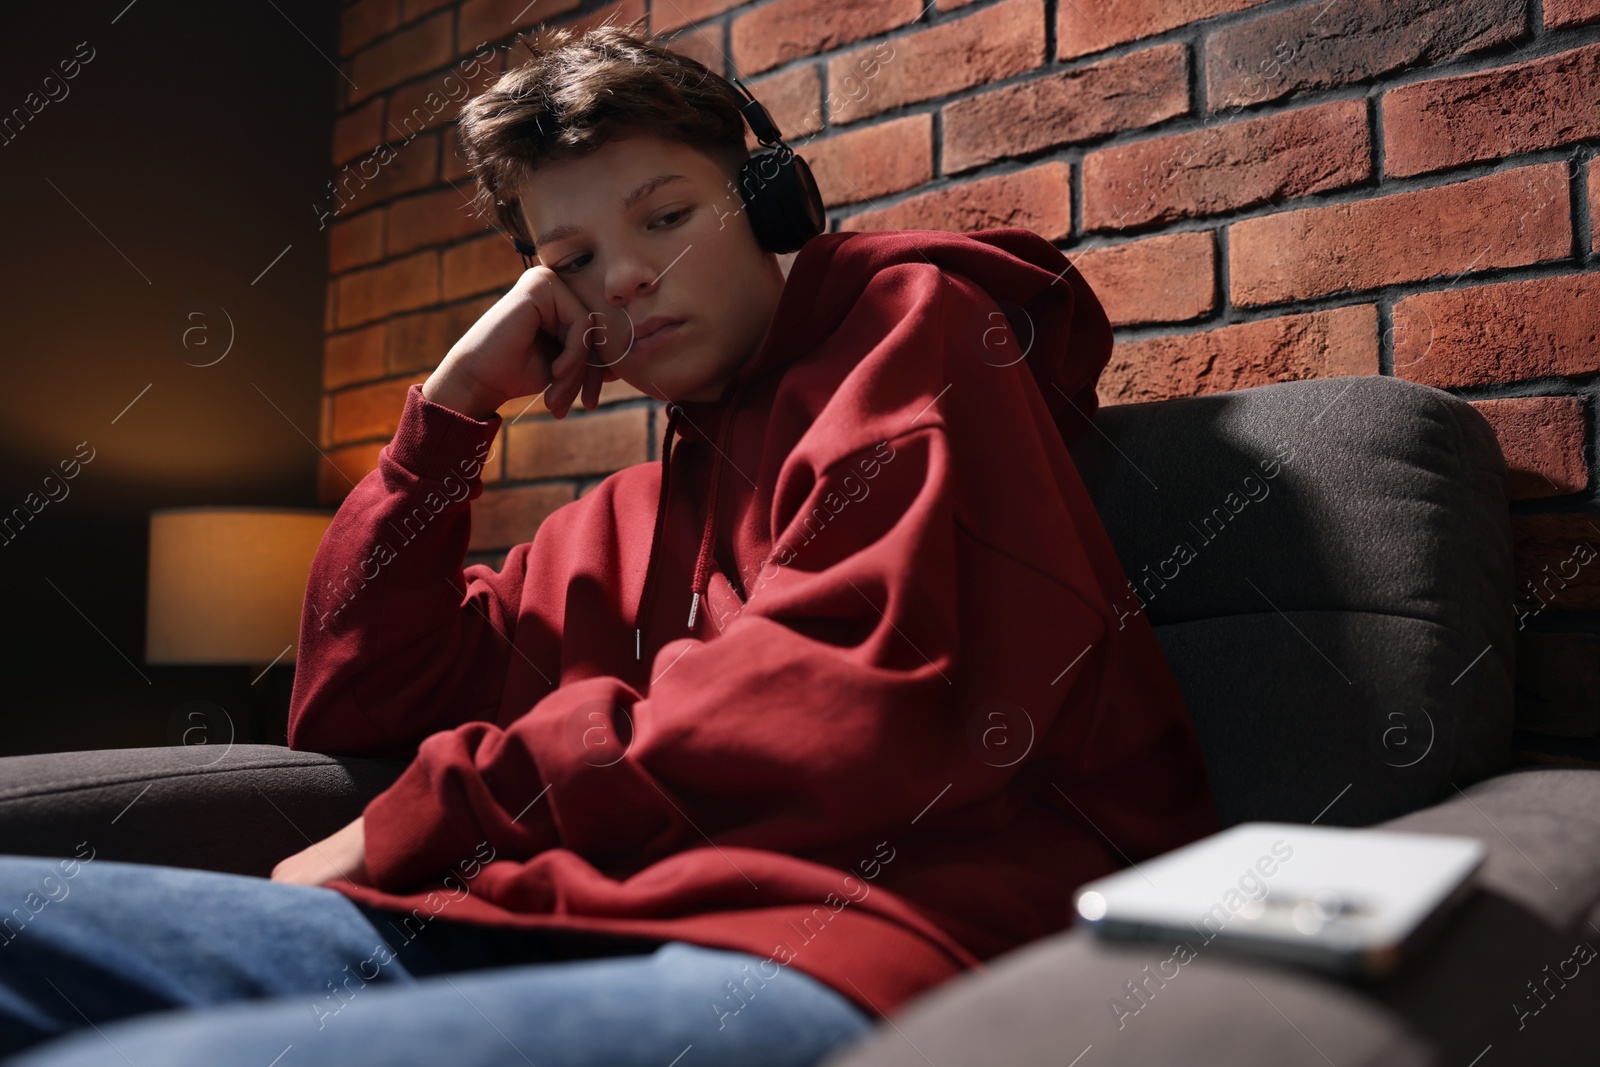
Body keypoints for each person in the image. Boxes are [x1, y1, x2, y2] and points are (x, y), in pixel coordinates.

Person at [0, 18, 1218, 1066]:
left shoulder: (918, 327)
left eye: (667, 215)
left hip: (852, 941)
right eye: (572, 259)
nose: (624, 277)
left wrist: (421, 815)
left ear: (764, 201)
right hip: (542, 918)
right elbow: (359, 702)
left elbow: (850, 698)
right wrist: (452, 416)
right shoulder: (621, 520)